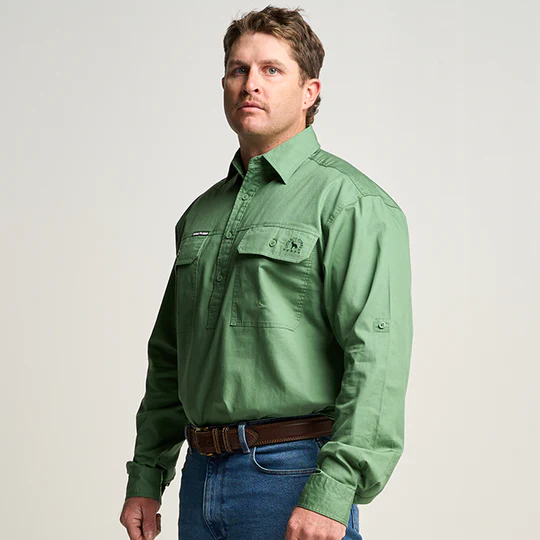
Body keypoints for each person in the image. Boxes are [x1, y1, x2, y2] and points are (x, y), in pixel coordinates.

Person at [119, 5, 413, 540]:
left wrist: (334, 490)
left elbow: (376, 356)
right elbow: (170, 356)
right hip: (200, 477)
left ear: (309, 92)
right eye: (239, 69)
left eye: (271, 69)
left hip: (291, 474)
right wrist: (147, 475)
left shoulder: (351, 204)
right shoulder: (201, 214)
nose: (250, 83)